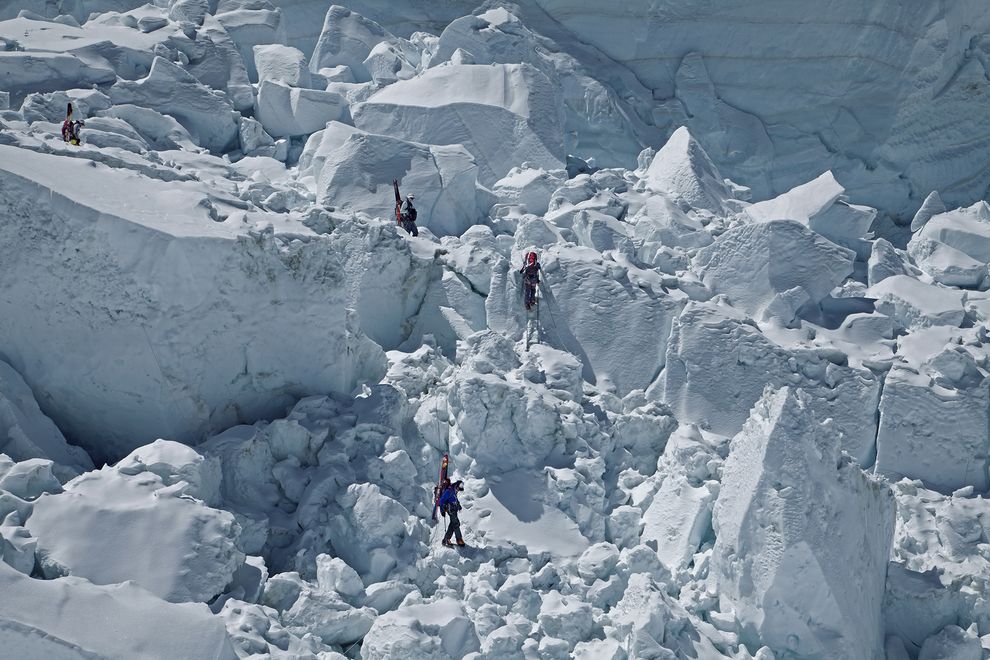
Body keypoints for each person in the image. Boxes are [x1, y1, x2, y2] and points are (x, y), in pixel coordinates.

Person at [438, 480, 465, 547]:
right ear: (457, 485)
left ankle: (446, 539)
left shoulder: (454, 490)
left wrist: (459, 506)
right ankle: (459, 539)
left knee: (452, 524)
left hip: (454, 508)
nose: (458, 490)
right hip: (450, 509)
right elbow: (441, 500)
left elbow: (455, 499)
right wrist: (442, 511)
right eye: (459, 489)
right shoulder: (449, 491)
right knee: (456, 523)